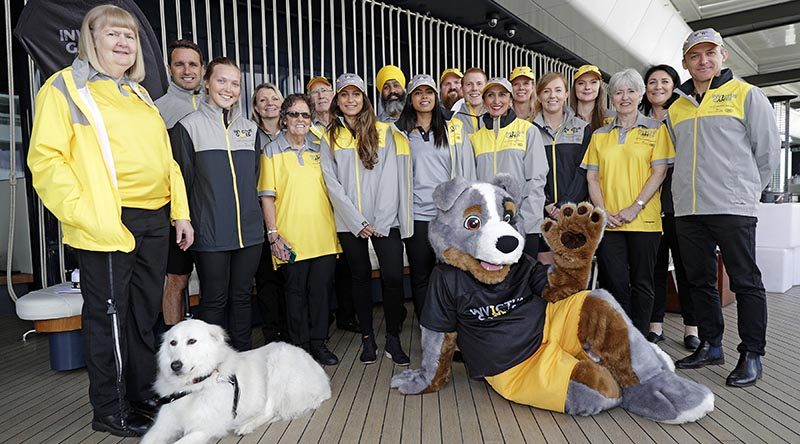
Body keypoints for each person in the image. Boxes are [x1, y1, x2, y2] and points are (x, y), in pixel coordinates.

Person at [27, 4, 193, 436]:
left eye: (130, 37)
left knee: (140, 316)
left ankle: (140, 396)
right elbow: (46, 162)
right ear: (90, 40)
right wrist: (91, 218)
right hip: (108, 223)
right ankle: (111, 408)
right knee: (109, 317)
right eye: (113, 35)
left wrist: (180, 212)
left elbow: (165, 159)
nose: (123, 44)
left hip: (154, 219)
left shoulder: (137, 95)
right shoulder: (63, 88)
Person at [667, 29, 779, 388]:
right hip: (688, 208)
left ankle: (751, 354)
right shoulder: (677, 107)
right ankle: (712, 345)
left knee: (745, 281)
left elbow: (767, 153)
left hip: (732, 206)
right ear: (685, 62)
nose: (703, 61)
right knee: (699, 280)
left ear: (723, 56)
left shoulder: (746, 95)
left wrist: (746, 193)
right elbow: (677, 156)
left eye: (710, 53)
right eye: (695, 55)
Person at [170, 57, 263, 352]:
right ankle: (211, 363)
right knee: (214, 300)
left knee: (243, 296)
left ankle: (242, 359)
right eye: (222, 81)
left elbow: (256, 180)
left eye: (235, 83)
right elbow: (179, 182)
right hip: (210, 233)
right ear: (207, 83)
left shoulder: (250, 129)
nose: (229, 88)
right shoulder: (188, 127)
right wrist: (182, 220)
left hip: (249, 232)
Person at [320, 73, 410, 365]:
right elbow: (331, 183)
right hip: (351, 223)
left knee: (394, 278)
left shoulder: (386, 132)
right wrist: (357, 221)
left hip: (385, 220)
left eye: (355, 94)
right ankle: (368, 338)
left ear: (364, 98)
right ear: (338, 100)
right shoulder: (330, 137)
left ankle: (393, 337)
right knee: (359, 279)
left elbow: (391, 178)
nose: (350, 100)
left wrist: (381, 220)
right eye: (344, 95)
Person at [580, 68, 673, 335]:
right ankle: (620, 339)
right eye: (618, 92)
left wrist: (635, 208)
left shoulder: (656, 130)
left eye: (631, 91)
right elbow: (592, 177)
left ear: (640, 94)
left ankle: (640, 339)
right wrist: (603, 212)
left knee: (643, 282)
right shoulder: (600, 135)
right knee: (615, 283)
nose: (625, 97)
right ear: (611, 97)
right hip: (609, 223)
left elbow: (659, 172)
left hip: (644, 221)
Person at [258, 93, 341, 365]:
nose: (301, 120)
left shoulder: (319, 148)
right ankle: (300, 348)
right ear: (284, 118)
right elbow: (267, 196)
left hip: (323, 236)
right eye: (295, 114)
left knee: (320, 295)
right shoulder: (271, 151)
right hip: (290, 237)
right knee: (294, 296)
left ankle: (318, 343)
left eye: (306, 115)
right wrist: (273, 235)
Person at [394, 74, 476, 319]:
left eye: (428, 92)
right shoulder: (401, 133)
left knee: (456, 273)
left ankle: (455, 327)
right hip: (418, 216)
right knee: (421, 277)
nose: (424, 97)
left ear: (435, 96)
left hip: (448, 217)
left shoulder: (454, 128)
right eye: (418, 93)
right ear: (411, 99)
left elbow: (466, 170)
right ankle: (427, 325)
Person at [640, 64, 699, 350]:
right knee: (654, 268)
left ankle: (692, 328)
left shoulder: (684, 116)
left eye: (664, 81)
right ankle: (655, 325)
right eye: (652, 82)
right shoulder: (639, 122)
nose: (658, 87)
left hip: (680, 205)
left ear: (674, 86)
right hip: (648, 207)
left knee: (686, 268)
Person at [155, 38, 205, 325]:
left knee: (216, 283)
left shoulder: (217, 105)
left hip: (211, 211)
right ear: (169, 68)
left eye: (193, 64)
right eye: (179, 64)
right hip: (176, 212)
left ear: (202, 68)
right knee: (177, 279)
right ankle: (173, 345)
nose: (187, 70)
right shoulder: (158, 109)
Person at [470, 77, 548, 256]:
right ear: (484, 101)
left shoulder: (528, 131)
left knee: (524, 278)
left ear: (511, 100)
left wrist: (524, 220)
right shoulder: (474, 138)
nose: (496, 101)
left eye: (502, 95)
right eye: (490, 95)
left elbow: (537, 179)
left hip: (523, 221)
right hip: (489, 225)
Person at [306, 75, 360, 333]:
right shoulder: (306, 127)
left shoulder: (348, 125)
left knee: (348, 264)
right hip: (319, 204)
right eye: (314, 92)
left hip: (345, 204)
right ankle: (325, 316)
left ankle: (348, 314)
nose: (320, 96)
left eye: (325, 90)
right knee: (326, 266)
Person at [531, 72, 591, 263]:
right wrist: (546, 203)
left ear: (566, 94)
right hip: (541, 213)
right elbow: (529, 173)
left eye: (558, 90)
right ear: (539, 96)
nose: (552, 96)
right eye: (546, 91)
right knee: (546, 275)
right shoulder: (528, 130)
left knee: (572, 274)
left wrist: (565, 204)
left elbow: (584, 171)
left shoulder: (582, 128)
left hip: (574, 213)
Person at [250, 82, 287, 343]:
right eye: (263, 100)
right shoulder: (250, 136)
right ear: (255, 107)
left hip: (291, 213)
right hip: (263, 216)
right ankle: (272, 330)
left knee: (291, 278)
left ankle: (293, 326)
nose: (269, 103)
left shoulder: (297, 132)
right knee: (266, 279)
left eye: (274, 98)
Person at [570, 64, 610, 132]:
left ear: (599, 87)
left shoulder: (611, 119)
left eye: (593, 82)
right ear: (574, 88)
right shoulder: (565, 118)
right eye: (581, 83)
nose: (587, 87)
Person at [452, 67, 487, 134]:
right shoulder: (454, 120)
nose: (474, 88)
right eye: (469, 84)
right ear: (462, 89)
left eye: (479, 84)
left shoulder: (496, 116)